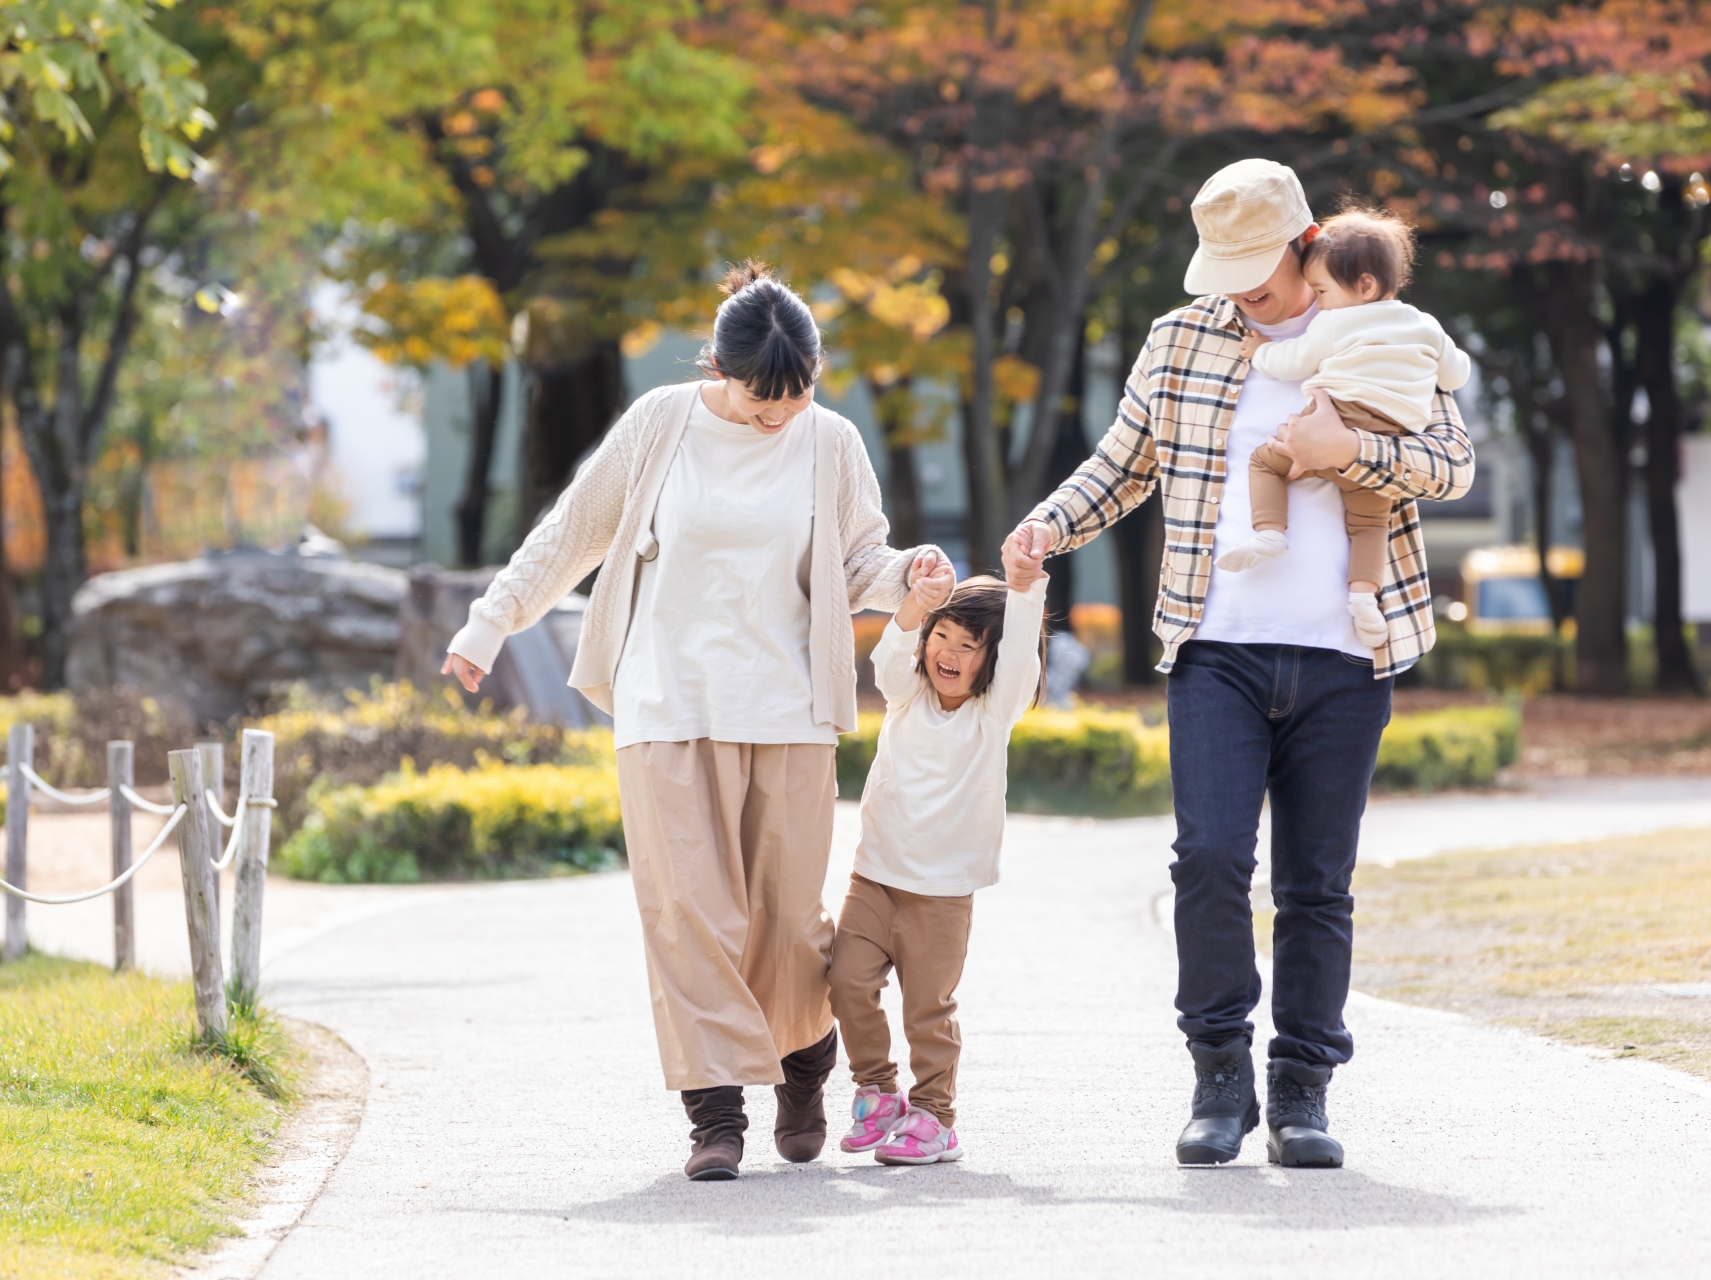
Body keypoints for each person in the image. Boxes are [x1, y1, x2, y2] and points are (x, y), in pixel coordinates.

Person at [1001, 159, 1474, 1169]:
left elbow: (1452, 464)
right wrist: (1047, 524)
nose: (1242, 297)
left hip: (1347, 653)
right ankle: (1219, 1074)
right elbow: (1123, 463)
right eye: (1227, 278)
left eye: (1257, 276)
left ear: (1307, 247)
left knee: (1317, 884)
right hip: (1216, 646)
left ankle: (1303, 1088)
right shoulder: (1182, 339)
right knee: (1209, 859)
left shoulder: (1386, 328)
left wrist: (1349, 453)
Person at [441, 261, 948, 1181]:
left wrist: (909, 574)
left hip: (787, 708)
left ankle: (805, 1058)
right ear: (719, 368)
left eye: (795, 399)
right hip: (666, 698)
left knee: (786, 919)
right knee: (687, 910)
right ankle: (715, 1112)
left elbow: (859, 561)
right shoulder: (661, 425)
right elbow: (573, 531)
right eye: (760, 400)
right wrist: (491, 622)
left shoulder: (831, 442)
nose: (777, 417)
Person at [828, 557, 1048, 1167]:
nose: (947, 652)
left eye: (968, 645)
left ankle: (934, 1116)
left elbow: (1021, 656)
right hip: (874, 877)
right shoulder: (908, 696)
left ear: (992, 659)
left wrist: (1025, 587)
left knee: (928, 1010)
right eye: (940, 636)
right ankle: (878, 1091)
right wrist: (916, 603)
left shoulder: (991, 715)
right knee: (845, 983)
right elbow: (888, 659)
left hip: (943, 894)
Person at [1217, 204, 1473, 649]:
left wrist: (1258, 351)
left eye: (1322, 290)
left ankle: (1270, 533)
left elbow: (1291, 360)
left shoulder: (1334, 323)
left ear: (1364, 285)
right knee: (1371, 526)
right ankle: (1363, 598)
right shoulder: (1426, 326)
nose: (1318, 301)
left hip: (1337, 420)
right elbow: (1456, 375)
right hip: (1387, 441)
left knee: (1264, 463)